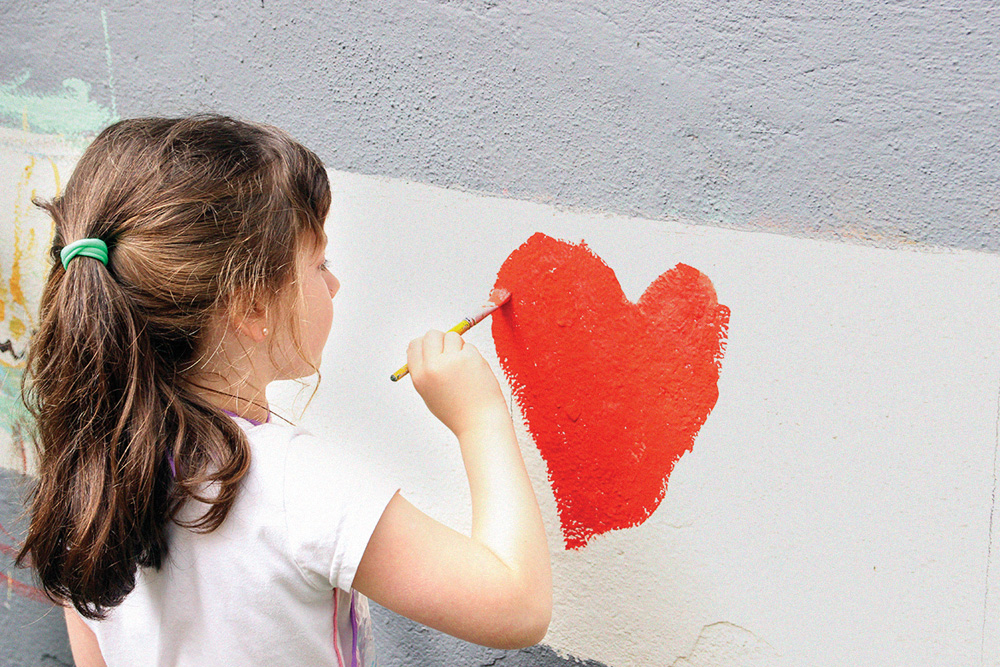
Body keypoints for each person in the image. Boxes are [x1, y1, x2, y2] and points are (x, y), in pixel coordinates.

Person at [15, 115, 551, 666]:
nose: (334, 283)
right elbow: (516, 605)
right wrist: (480, 418)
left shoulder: (89, 467)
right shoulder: (299, 485)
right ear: (250, 305)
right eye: (319, 263)